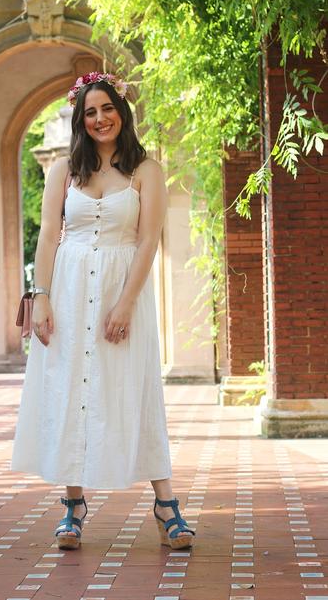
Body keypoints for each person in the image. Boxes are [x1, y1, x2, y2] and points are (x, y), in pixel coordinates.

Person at [11, 72, 195, 551]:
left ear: (122, 111)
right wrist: (43, 296)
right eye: (90, 112)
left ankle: (165, 502)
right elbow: (48, 235)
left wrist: (126, 303)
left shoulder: (145, 171)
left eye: (106, 109)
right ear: (80, 118)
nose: (99, 119)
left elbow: (149, 239)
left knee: (135, 388)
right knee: (71, 386)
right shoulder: (63, 172)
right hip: (68, 291)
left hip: (122, 288)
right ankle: (73, 505)